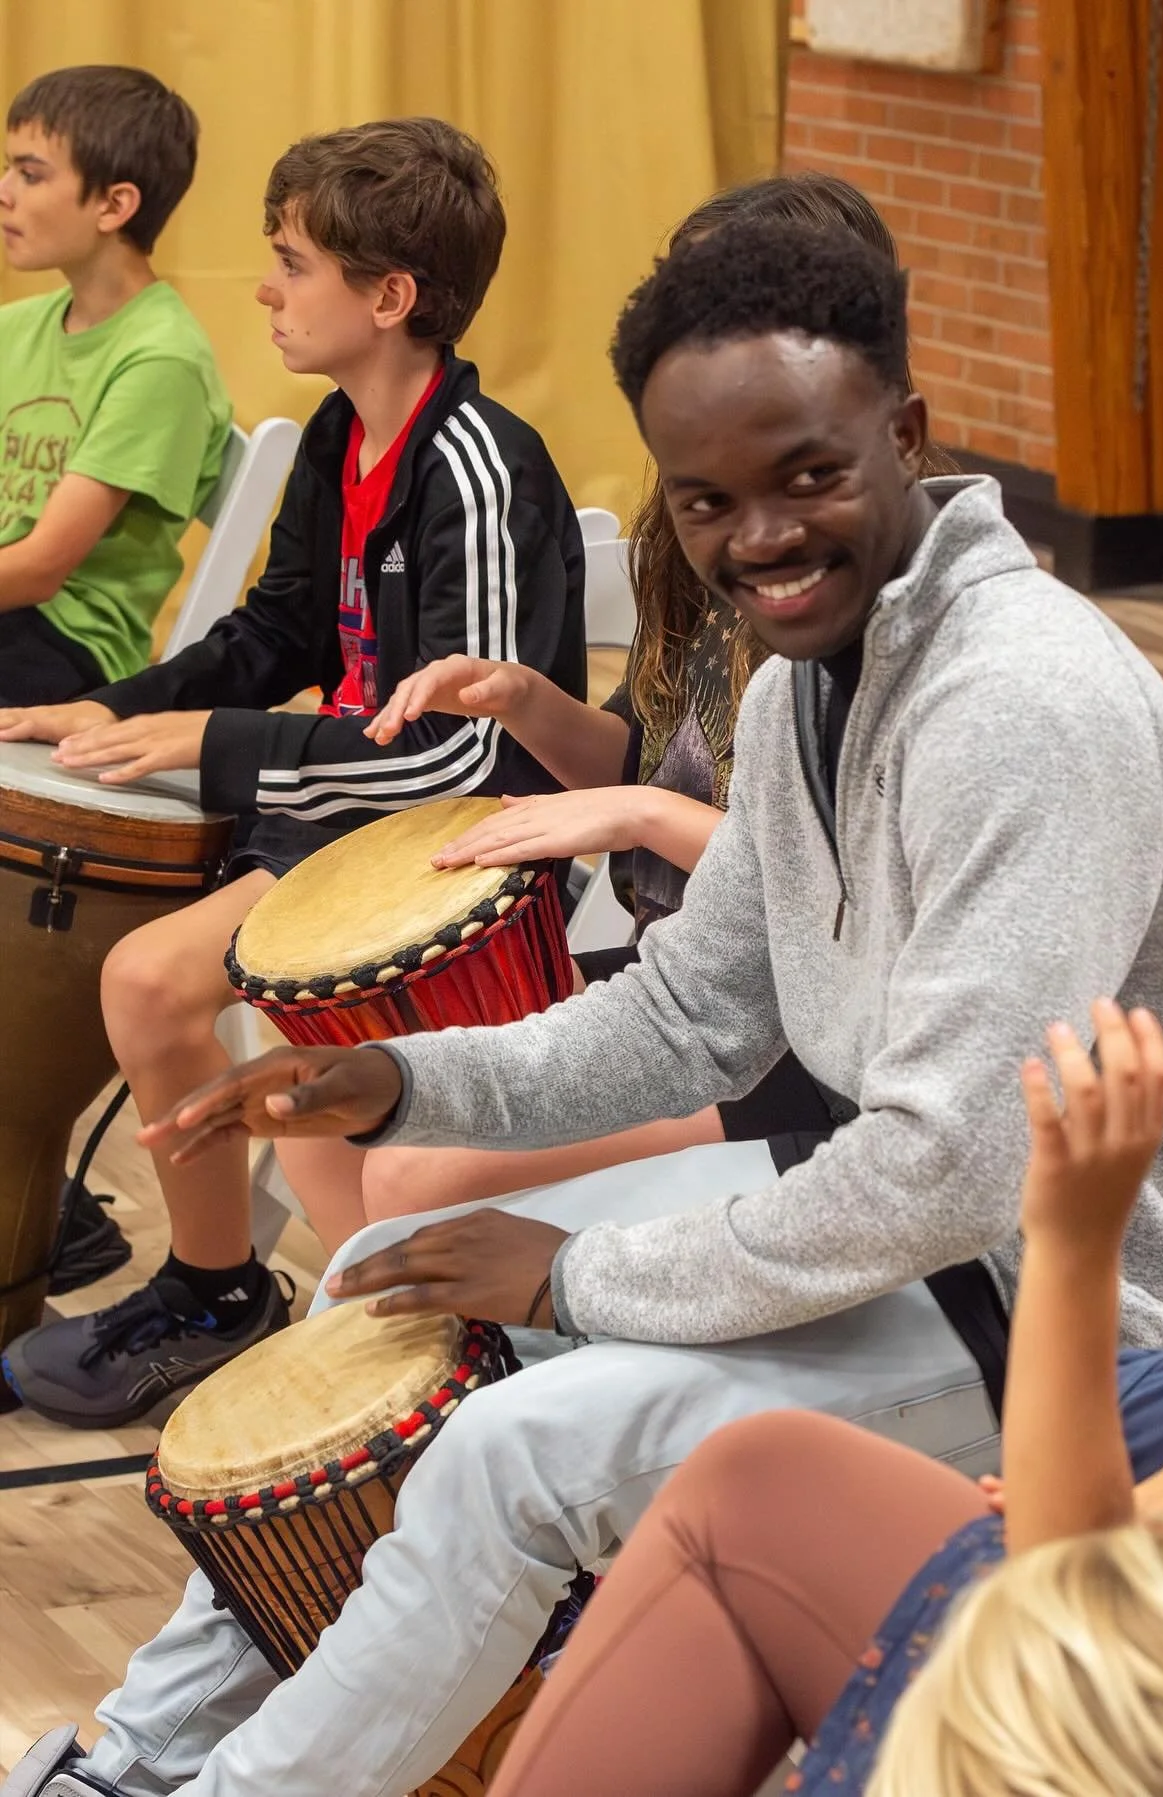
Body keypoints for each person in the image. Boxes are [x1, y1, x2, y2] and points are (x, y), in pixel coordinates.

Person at [5, 218, 1163, 1797]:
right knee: (385, 1278)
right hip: (930, 1247)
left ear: (908, 435)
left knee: (514, 1448)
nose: (761, 536)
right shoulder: (814, 666)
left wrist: (580, 1274)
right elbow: (690, 1015)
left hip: (1093, 1329)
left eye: (807, 475)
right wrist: (401, 1082)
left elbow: (957, 1165)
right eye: (708, 501)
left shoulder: (1015, 701)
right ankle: (124, 1768)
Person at [477, 888, 1163, 1797]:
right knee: (735, 1465)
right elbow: (1069, 1569)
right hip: (1085, 1632)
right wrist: (1075, 1244)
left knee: (523, 1445)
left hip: (1087, 1711)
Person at [0, 118, 586, 1427]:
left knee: (157, 982)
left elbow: (475, 746)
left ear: (388, 296)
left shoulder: (479, 468)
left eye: (290, 262)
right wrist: (105, 706)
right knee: (150, 988)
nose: (264, 287)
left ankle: (362, 1334)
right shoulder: (338, 436)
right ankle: (222, 1294)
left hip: (462, 845)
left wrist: (216, 751)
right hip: (354, 812)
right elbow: (276, 633)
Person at [280, 170, 948, 1254]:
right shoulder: (695, 531)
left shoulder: (885, 584)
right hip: (678, 978)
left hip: (805, 1042)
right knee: (322, 1087)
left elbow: (850, 903)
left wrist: (643, 817)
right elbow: (642, 763)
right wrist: (527, 703)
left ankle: (498, 1367)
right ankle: (412, 1382)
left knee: (412, 1165)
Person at [0, 65, 231, 705]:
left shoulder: (162, 359)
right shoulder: (15, 328)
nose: (4, 191)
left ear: (113, 204)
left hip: (69, 644)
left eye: (31, 173)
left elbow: (44, 568)